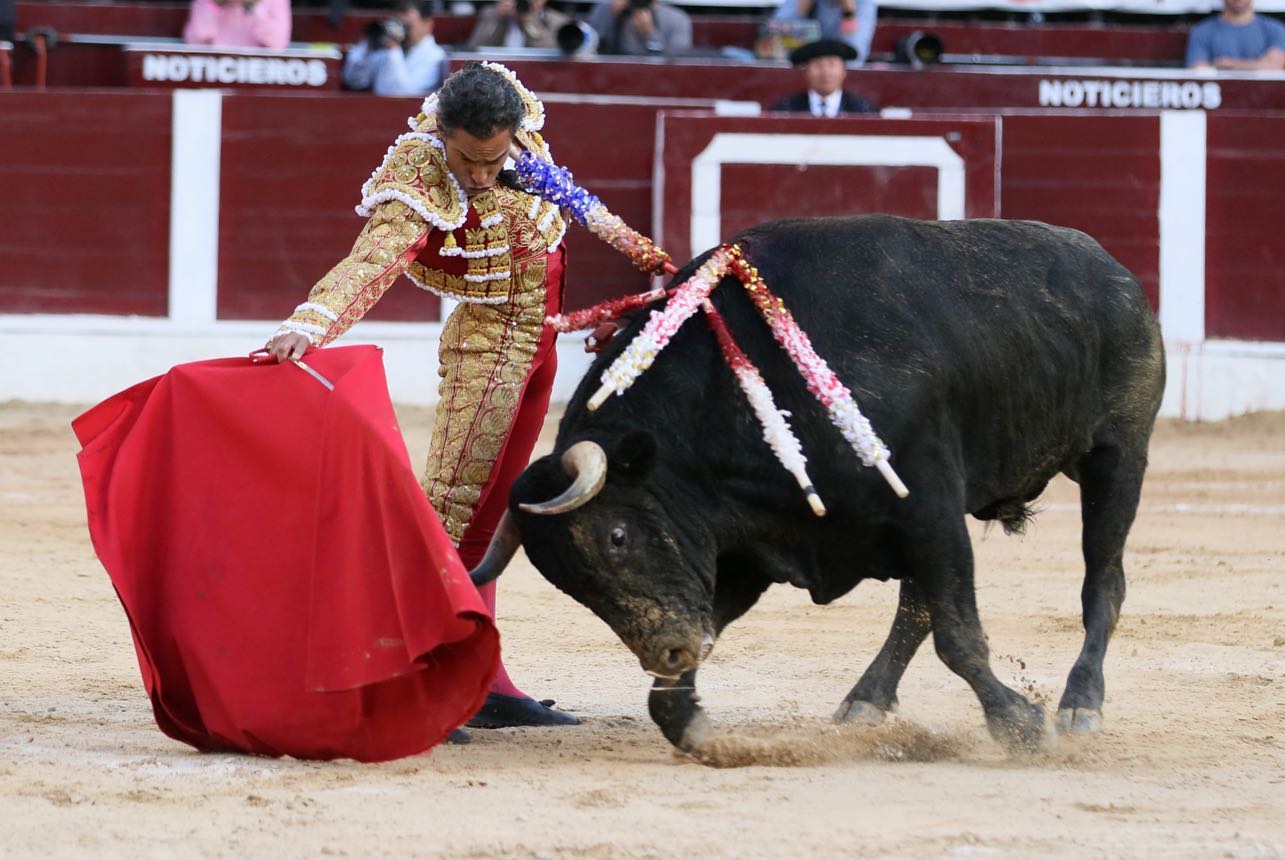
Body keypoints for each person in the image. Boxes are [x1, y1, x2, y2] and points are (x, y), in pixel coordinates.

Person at [265, 62, 579, 731]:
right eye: (468, 159)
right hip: (489, 349)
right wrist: (309, 324)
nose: (482, 176)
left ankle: (484, 680)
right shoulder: (418, 170)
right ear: (443, 135)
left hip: (542, 341)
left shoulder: (514, 121)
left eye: (494, 160)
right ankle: (406, 678)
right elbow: (372, 259)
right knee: (453, 512)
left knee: (495, 514)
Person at [341, 0, 448, 96]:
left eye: (408, 26)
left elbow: (406, 95)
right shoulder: (386, 49)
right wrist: (369, 45)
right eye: (399, 23)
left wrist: (394, 49)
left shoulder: (435, 57)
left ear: (428, 24)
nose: (403, 30)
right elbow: (354, 80)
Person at [771, 39, 876, 116]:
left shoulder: (861, 109)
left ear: (844, 71)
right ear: (806, 72)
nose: (825, 73)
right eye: (818, 65)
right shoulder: (787, 108)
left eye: (832, 65)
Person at [1186, 0, 1285, 70]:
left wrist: (1228, 65)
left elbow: (1275, 65)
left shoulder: (1276, 30)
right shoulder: (1202, 32)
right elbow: (1198, 70)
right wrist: (1257, 65)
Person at [772, 0, 876, 65]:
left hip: (838, 79)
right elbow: (777, 46)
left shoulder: (863, 3)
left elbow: (854, 58)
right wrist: (801, 10)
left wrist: (848, 12)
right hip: (802, 69)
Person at [587, 0, 692, 56]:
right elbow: (590, 48)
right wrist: (610, 16)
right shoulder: (605, 9)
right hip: (610, 74)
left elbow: (680, 59)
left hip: (655, 78)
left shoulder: (677, 18)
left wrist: (650, 34)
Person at [183, 0, 291, 51]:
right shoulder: (207, 2)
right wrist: (214, 5)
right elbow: (194, 41)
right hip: (214, 72)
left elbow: (277, 44)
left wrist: (255, 5)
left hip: (258, 74)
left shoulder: (276, 2)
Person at [466, 0, 570, 50]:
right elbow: (474, 47)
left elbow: (550, 49)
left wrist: (527, 21)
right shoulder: (491, 14)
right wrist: (498, 18)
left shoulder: (557, 20)